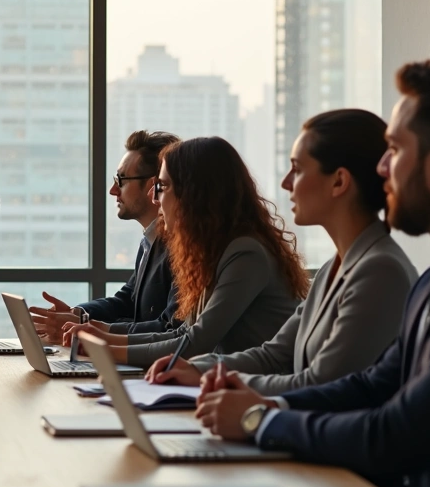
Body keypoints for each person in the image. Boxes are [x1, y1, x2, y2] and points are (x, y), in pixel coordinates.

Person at [195, 57, 430, 487]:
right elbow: (372, 385)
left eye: (395, 150)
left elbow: (398, 431)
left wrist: (261, 421)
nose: (382, 169)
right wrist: (268, 407)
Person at [147, 109, 417, 394]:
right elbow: (273, 354)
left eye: (297, 169)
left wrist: (221, 382)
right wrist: (197, 370)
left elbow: (321, 384)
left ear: (339, 181)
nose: (286, 182)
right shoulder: (333, 268)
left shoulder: (379, 271)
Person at [65, 137, 307, 368]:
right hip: (224, 385)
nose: (155, 198)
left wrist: (104, 348)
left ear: (193, 194)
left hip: (257, 393)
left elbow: (195, 344)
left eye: (161, 186)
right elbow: (182, 333)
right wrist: (100, 337)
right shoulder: (210, 251)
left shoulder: (245, 253)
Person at [32, 130, 181, 343]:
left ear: (152, 186)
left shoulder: (182, 248)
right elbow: (127, 301)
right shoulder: (150, 240)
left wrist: (88, 328)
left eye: (121, 180)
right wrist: (76, 315)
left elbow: (169, 329)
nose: (113, 190)